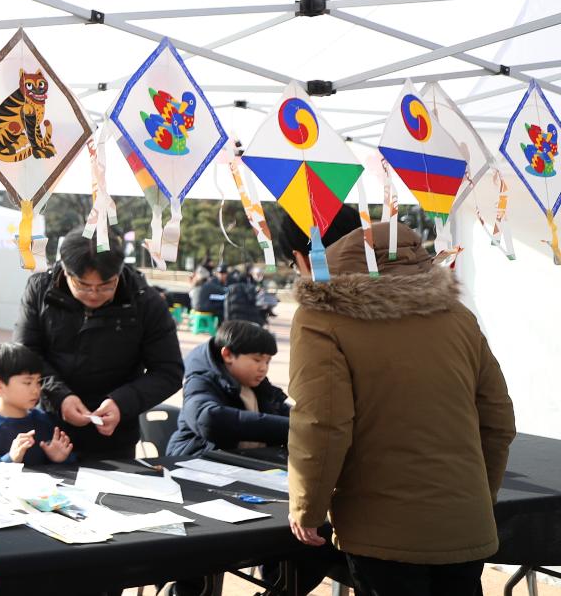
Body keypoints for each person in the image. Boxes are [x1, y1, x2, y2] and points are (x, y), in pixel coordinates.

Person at [280, 212, 516, 596]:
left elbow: (323, 423)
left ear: (302, 256)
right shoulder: (456, 313)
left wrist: (307, 507)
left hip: (381, 530)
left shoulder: (322, 316)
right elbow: (498, 419)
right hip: (464, 524)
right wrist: (474, 498)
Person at [14, 229, 183, 461]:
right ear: (66, 271)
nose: (94, 295)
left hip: (114, 434)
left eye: (106, 286)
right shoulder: (41, 290)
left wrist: (122, 403)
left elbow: (168, 372)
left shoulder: (145, 301)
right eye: (83, 285)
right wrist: (59, 396)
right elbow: (26, 354)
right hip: (48, 428)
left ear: (119, 273)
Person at [167, 320, 289, 456]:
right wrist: (289, 428)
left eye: (267, 361)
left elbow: (283, 412)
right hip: (197, 462)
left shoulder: (260, 389)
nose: (263, 368)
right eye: (257, 360)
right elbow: (207, 419)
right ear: (228, 355)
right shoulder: (200, 382)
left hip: (247, 462)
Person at [0, 342, 75, 465]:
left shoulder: (44, 420)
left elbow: (65, 472)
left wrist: (60, 459)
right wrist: (10, 459)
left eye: (38, 382)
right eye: (28, 383)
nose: (36, 390)